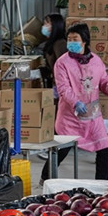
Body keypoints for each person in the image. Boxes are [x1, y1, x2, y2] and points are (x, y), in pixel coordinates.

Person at [41, 23, 108, 183]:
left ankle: (102, 185)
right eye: (69, 39)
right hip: (70, 116)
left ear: (84, 41)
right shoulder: (62, 63)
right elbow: (63, 88)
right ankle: (45, 178)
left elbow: (103, 78)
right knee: (61, 151)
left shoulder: (96, 60)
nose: (71, 43)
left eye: (75, 39)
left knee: (104, 150)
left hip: (92, 115)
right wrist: (75, 103)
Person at [37, 13, 67, 160]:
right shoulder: (52, 42)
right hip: (54, 84)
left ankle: (54, 149)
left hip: (59, 86)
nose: (44, 26)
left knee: (55, 117)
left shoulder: (60, 43)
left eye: (47, 23)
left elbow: (63, 66)